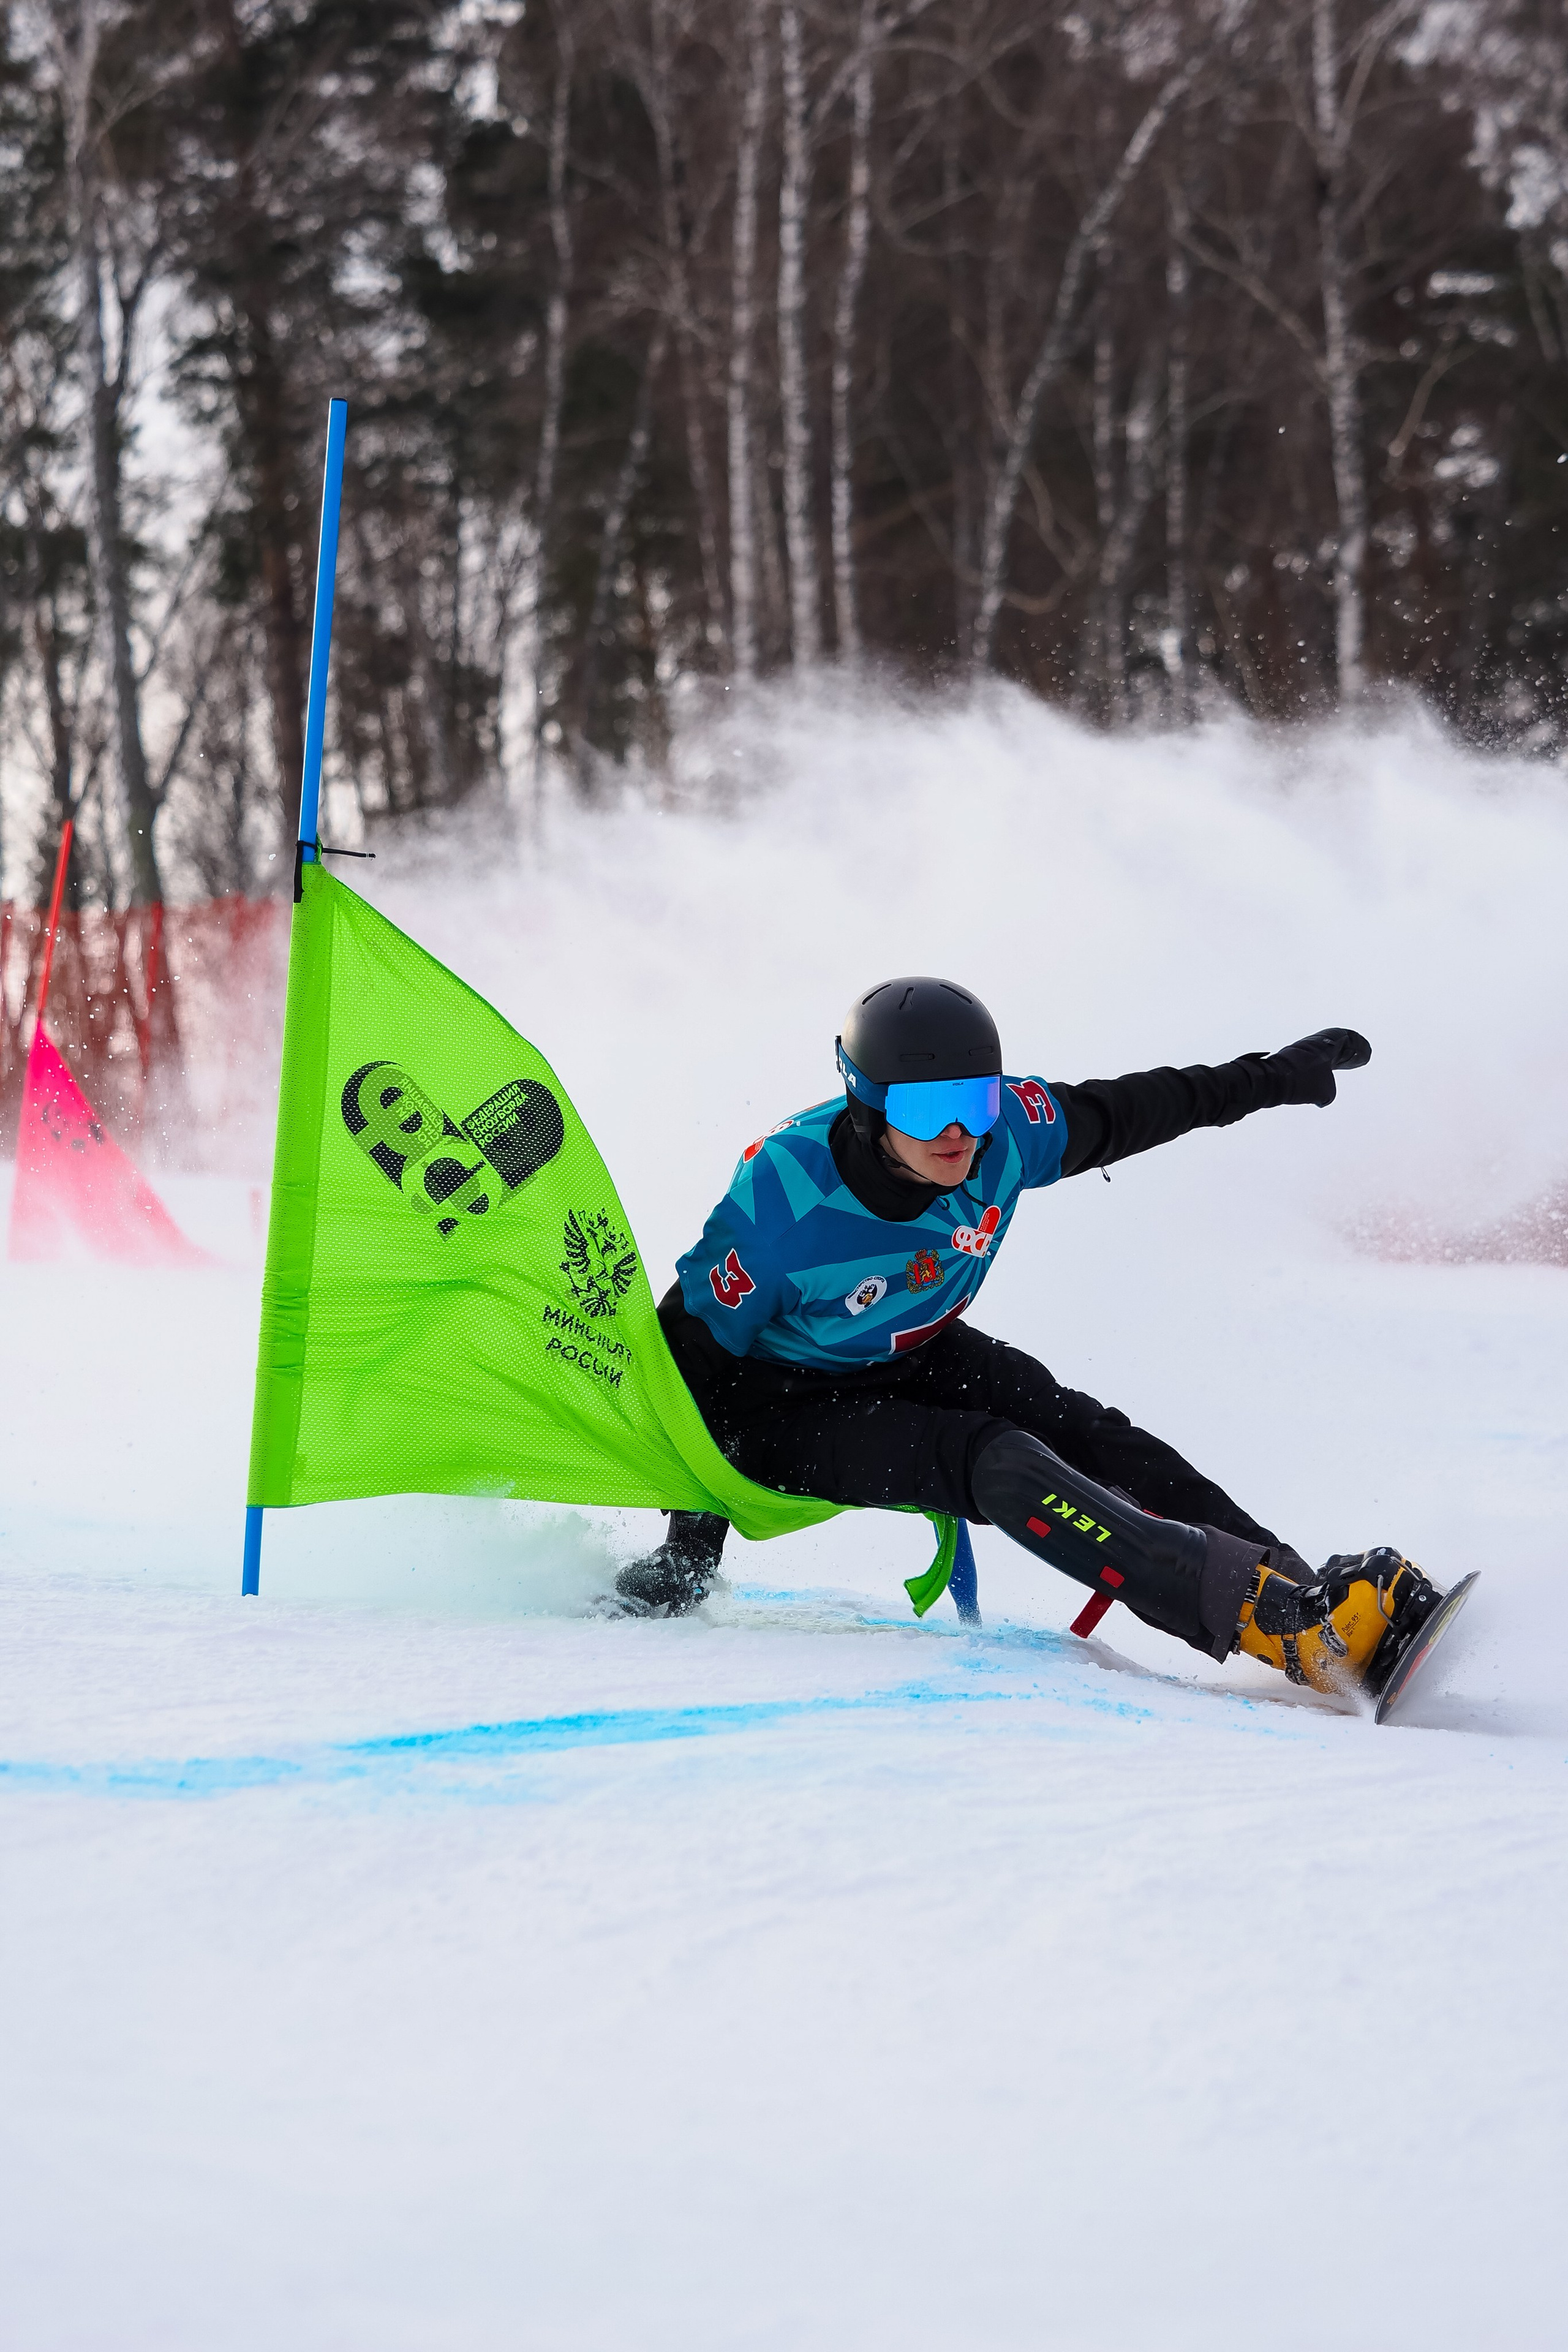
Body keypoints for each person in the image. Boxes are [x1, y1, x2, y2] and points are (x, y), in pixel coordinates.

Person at [616, 975, 1446, 1701]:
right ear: (869, 1108)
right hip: (774, 1409)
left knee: (1087, 1433)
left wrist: (1274, 1077)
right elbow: (687, 1366)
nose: (958, 1134)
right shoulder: (782, 1205)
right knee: (995, 1460)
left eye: (975, 1100)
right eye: (926, 1107)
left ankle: (1301, 1600)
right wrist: (690, 1551)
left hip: (908, 1348)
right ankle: (1273, 1626)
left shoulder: (1004, 1133)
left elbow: (1137, 1107)